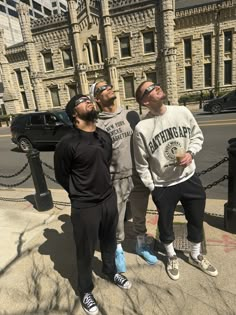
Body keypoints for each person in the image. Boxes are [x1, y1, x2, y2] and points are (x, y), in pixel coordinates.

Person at [54, 94, 131, 315]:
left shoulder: (104, 136)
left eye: (89, 99)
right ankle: (85, 289)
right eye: (82, 101)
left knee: (108, 240)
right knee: (85, 250)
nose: (89, 101)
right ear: (74, 114)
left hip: (108, 199)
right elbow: (62, 175)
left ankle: (110, 271)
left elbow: (104, 163)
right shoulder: (67, 143)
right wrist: (78, 193)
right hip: (84, 205)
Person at [133, 81, 218, 281]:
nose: (156, 87)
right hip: (163, 186)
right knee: (165, 225)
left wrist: (191, 152)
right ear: (145, 101)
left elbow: (197, 136)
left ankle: (196, 254)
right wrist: (153, 187)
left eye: (155, 84)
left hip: (189, 178)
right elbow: (141, 163)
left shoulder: (182, 112)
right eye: (150, 89)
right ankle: (171, 256)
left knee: (196, 219)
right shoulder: (142, 128)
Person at [90, 81, 158, 273]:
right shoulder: (97, 123)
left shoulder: (131, 115)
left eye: (109, 85)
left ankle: (141, 244)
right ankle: (118, 248)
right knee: (117, 218)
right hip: (116, 178)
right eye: (103, 88)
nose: (109, 88)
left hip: (138, 174)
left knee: (140, 214)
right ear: (97, 98)